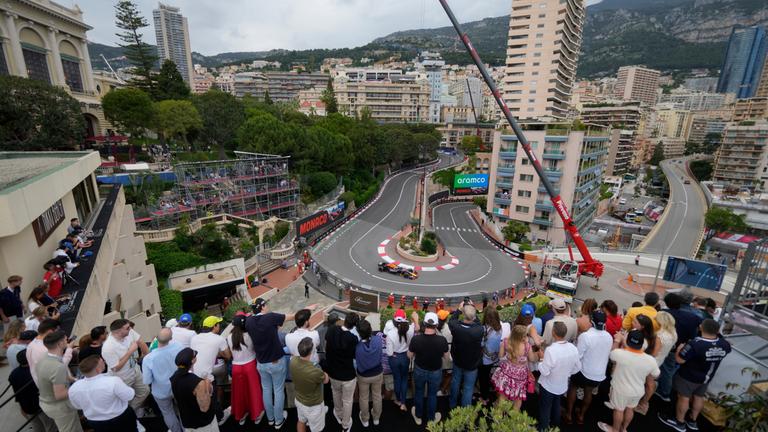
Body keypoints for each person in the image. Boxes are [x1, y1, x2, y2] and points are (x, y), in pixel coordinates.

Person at [658, 319, 731, 432]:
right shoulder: (724, 344)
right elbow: (725, 347)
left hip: (688, 377)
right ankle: (692, 420)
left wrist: (678, 350)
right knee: (699, 397)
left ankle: (679, 421)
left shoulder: (695, 344)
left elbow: (679, 360)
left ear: (701, 328)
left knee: (684, 397)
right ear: (717, 331)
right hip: (707, 377)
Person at [246, 298, 299, 429]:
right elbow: (292, 316)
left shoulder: (249, 322)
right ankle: (278, 420)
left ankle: (270, 418)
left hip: (261, 363)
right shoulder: (269, 317)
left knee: (266, 390)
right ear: (262, 307)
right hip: (276, 361)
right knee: (278, 390)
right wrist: (308, 309)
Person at [599, 330, 660, 432]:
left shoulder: (619, 354)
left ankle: (614, 430)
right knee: (630, 409)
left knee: (619, 410)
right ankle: (624, 428)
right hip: (638, 391)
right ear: (642, 344)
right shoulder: (651, 360)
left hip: (620, 390)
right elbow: (656, 374)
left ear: (627, 341)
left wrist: (618, 341)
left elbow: (611, 355)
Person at [565, 311, 613, 425]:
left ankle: (568, 415)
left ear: (591, 322)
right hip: (599, 375)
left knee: (573, 387)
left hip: (583, 372)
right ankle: (581, 416)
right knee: (588, 392)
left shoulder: (586, 336)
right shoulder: (609, 337)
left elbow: (578, 356)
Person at [69, 355, 138, 431]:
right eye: (102, 362)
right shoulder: (113, 381)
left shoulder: (74, 388)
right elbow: (129, 396)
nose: (104, 362)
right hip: (120, 417)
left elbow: (77, 406)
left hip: (95, 422)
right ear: (98, 369)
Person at [656, 293, 702, 402]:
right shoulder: (694, 317)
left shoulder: (664, 314)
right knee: (670, 368)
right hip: (682, 347)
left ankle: (665, 392)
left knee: (665, 369)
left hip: (665, 346)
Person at [35, 331, 83, 432]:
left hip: (46, 402)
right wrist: (80, 385)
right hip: (59, 407)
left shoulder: (44, 358)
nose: (67, 342)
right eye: (66, 340)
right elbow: (60, 394)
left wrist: (74, 379)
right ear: (60, 344)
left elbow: (55, 377)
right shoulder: (58, 367)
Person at [537, 322, 581, 432]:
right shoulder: (573, 348)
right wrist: (567, 373)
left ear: (553, 333)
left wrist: (541, 359)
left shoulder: (551, 350)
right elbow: (578, 367)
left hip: (548, 386)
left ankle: (543, 428)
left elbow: (544, 372)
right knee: (557, 405)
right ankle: (555, 427)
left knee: (545, 408)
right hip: (562, 385)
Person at [101, 319, 150, 413]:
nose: (130, 328)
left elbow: (140, 341)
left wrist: (148, 357)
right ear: (119, 331)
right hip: (122, 377)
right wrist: (130, 351)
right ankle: (125, 413)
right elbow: (115, 368)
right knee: (124, 399)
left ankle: (131, 410)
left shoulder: (129, 332)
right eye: (127, 328)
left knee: (145, 391)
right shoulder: (108, 347)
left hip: (135, 370)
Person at [409, 312, 449, 425]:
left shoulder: (416, 339)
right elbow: (447, 357)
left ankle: (418, 416)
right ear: (436, 325)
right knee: (432, 395)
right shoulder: (442, 340)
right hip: (435, 371)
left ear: (424, 323)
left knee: (419, 392)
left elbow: (409, 355)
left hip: (419, 370)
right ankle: (431, 418)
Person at [191, 316, 232, 424]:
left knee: (199, 400)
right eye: (218, 324)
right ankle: (220, 417)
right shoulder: (219, 339)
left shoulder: (195, 338)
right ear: (214, 326)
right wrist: (218, 353)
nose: (219, 326)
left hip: (193, 375)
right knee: (212, 398)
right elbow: (228, 356)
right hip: (206, 377)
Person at [142, 328, 184, 432]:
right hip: (179, 387)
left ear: (156, 338)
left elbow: (147, 381)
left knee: (167, 413)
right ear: (171, 338)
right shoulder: (179, 346)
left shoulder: (148, 358)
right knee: (183, 410)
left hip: (161, 392)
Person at [636, 311, 677, 415]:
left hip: (653, 361)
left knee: (649, 383)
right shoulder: (673, 333)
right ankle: (644, 401)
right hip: (661, 360)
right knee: (650, 381)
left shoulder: (660, 335)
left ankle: (643, 404)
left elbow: (654, 353)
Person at [226, 314, 264, 426]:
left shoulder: (229, 337)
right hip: (250, 365)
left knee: (239, 393)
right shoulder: (249, 335)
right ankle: (256, 414)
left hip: (236, 367)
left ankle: (241, 415)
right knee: (254, 391)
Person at [324, 312, 360, 432]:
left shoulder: (332, 330)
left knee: (336, 393)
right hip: (348, 376)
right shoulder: (353, 338)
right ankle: (345, 424)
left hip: (333, 373)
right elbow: (355, 355)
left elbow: (327, 345)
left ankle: (339, 414)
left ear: (344, 320)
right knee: (348, 400)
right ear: (354, 325)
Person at [171, 348, 219, 432]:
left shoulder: (174, 377)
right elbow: (204, 407)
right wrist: (207, 384)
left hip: (187, 422)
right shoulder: (198, 383)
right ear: (193, 360)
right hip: (203, 424)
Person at [9, 349, 56, 432]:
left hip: (26, 406)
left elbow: (16, 392)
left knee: (37, 427)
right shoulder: (34, 372)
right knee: (50, 426)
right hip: (40, 405)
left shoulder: (13, 374)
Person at [447, 301, 483, 408]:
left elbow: (452, 320)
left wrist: (459, 309)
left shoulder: (456, 327)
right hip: (472, 364)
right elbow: (479, 323)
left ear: (464, 314)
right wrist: (473, 309)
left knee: (455, 383)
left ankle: (452, 405)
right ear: (473, 317)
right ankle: (465, 411)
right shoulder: (479, 330)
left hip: (458, 361)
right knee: (468, 388)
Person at [492, 325, 536, 409]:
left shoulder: (505, 342)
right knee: (518, 398)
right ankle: (513, 419)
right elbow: (532, 359)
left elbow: (500, 356)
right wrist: (538, 355)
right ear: (522, 337)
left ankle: (498, 417)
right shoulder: (527, 346)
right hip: (520, 376)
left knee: (502, 396)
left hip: (506, 372)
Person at [290, 337, 329, 432]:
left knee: (301, 421)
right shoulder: (315, 370)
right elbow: (326, 380)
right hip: (313, 406)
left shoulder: (293, 361)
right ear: (311, 352)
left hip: (299, 400)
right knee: (317, 429)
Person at [385, 309, 418, 411]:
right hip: (405, 357)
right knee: (404, 379)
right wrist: (414, 318)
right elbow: (416, 326)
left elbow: (389, 353)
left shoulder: (390, 334)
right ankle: (403, 402)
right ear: (405, 319)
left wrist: (394, 354)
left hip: (394, 358)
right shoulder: (410, 330)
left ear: (394, 321)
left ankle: (398, 400)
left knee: (397, 379)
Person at [27, 318, 74, 385]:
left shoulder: (30, 345)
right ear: (50, 331)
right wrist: (69, 349)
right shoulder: (46, 348)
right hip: (55, 386)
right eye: (57, 330)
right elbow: (60, 366)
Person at [355, 319, 384, 427]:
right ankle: (376, 418)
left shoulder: (357, 347)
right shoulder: (378, 340)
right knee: (377, 396)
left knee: (364, 397)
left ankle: (365, 419)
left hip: (363, 376)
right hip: (377, 373)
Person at [479, 306, 502, 404]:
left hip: (484, 359)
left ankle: (484, 398)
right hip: (494, 357)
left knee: (483, 378)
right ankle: (488, 392)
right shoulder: (499, 327)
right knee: (487, 375)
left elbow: (481, 344)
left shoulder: (484, 329)